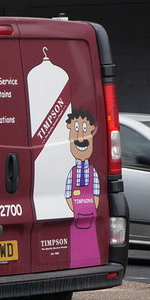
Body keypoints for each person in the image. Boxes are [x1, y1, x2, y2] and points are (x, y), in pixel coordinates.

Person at [64, 108, 101, 267]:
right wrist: (76, 209)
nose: (81, 137)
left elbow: (97, 194)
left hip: (90, 215)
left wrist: (90, 208)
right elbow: (67, 195)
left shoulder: (93, 172)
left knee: (90, 244)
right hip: (77, 216)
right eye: (76, 130)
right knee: (77, 244)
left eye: (85, 130)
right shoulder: (72, 172)